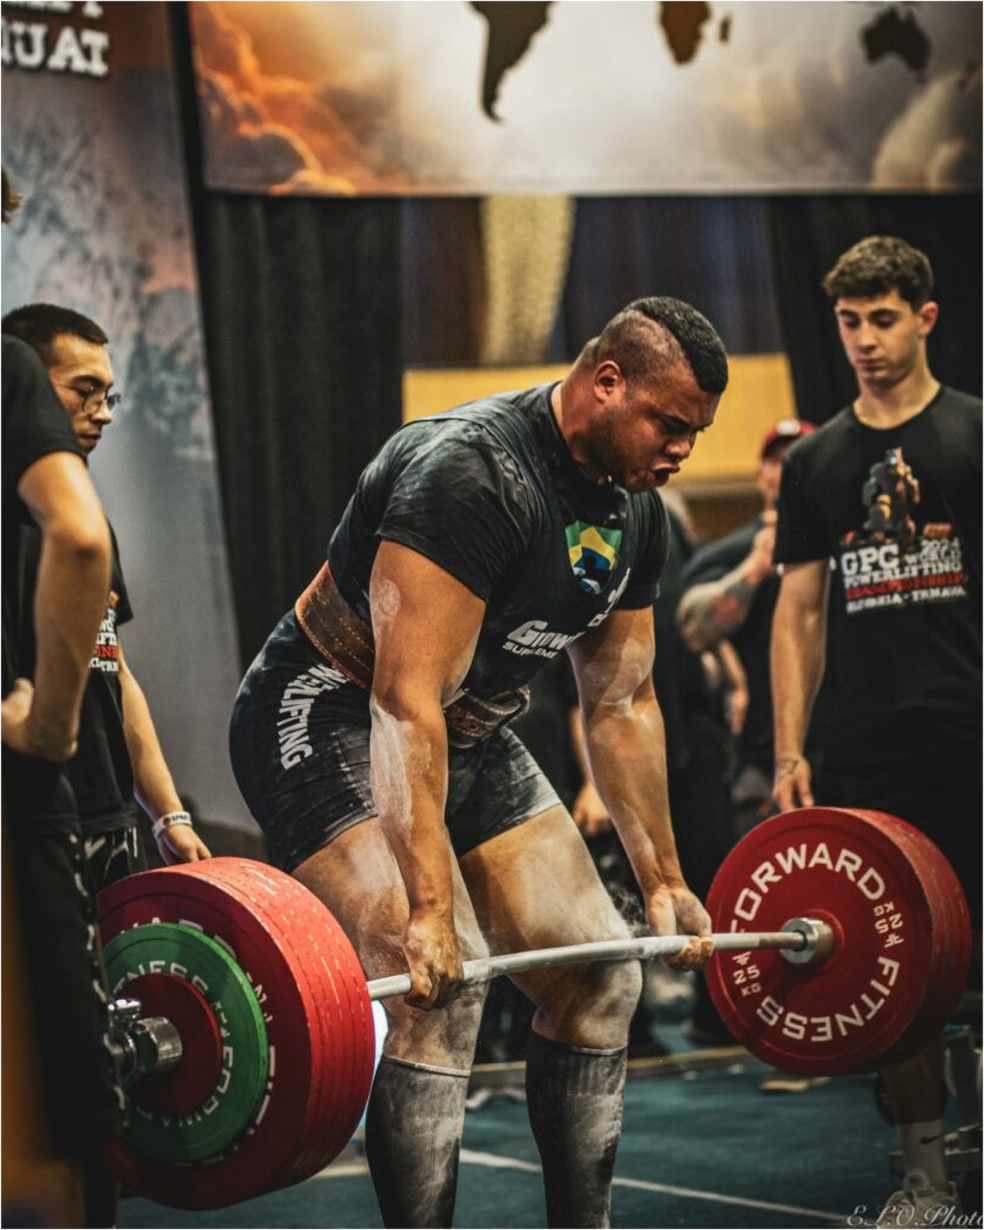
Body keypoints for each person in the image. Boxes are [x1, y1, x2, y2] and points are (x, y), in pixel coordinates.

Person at [230, 296, 729, 1229]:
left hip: (461, 730)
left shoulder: (637, 514)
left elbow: (622, 704)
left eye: (695, 432)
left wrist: (664, 880)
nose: (682, 450)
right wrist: (428, 911)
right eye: (669, 423)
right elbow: (401, 700)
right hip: (328, 710)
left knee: (602, 980)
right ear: (605, 381)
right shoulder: (470, 473)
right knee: (443, 991)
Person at [770, 236, 984, 1225]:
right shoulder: (815, 461)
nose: (864, 339)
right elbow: (798, 615)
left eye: (883, 319)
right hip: (866, 753)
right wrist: (789, 749)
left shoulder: (975, 435)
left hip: (971, 734)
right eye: (849, 321)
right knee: (902, 973)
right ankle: (926, 1181)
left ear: (925, 318)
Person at [0, 159, 119, 1229]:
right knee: (55, 1122)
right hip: (17, 795)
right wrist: (48, 727)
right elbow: (80, 540)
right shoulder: (5, 372)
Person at [0, 304, 211, 888]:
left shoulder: (89, 520)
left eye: (108, 395)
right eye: (84, 391)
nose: (104, 413)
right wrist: (44, 735)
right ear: (23, 387)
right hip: (33, 820)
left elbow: (113, 669)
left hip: (111, 820)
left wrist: (167, 814)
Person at [676, 417, 816, 836]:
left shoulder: (844, 547)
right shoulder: (732, 552)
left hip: (846, 747)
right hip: (761, 755)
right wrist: (754, 569)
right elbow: (692, 629)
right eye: (776, 461)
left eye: (799, 458)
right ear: (759, 475)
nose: (787, 469)